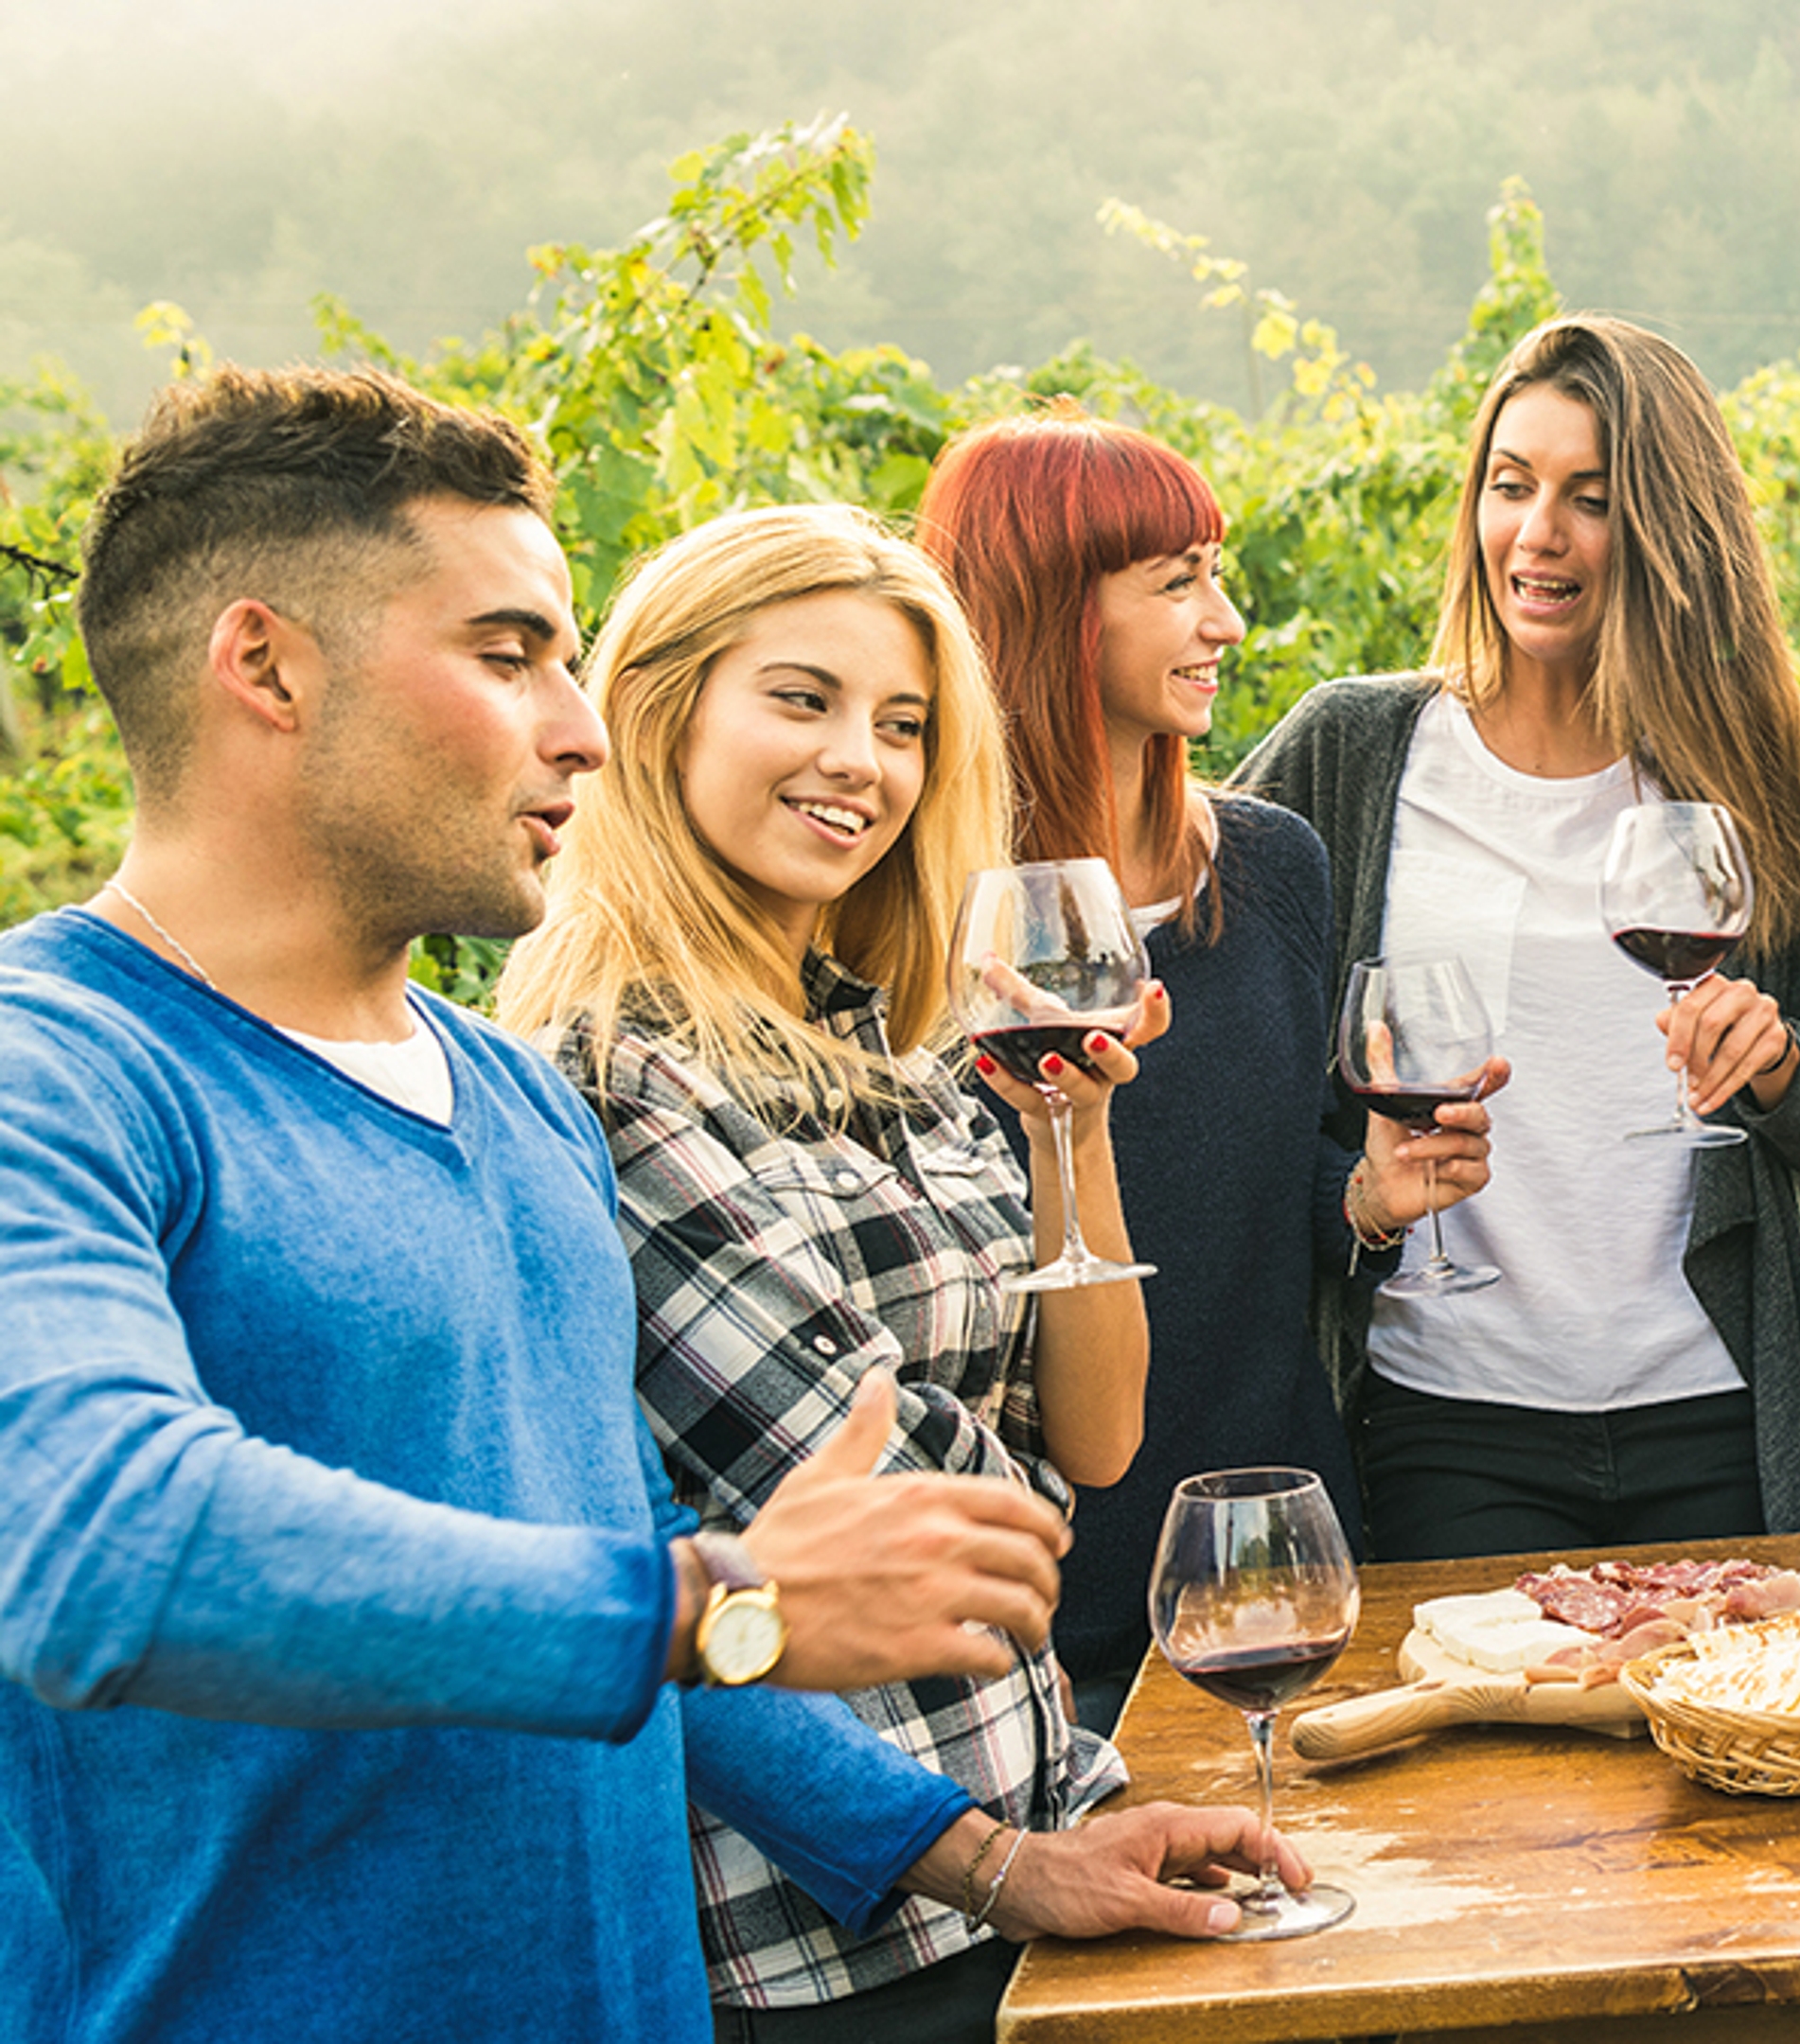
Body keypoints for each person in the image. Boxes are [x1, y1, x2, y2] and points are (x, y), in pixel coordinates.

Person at [0, 366, 1120, 2044]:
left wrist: (990, 1865)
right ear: (267, 666)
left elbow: (640, 1579)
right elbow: (96, 1542)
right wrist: (696, 1603)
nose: (584, 727)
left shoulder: (513, 1100)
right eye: (508, 654)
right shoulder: (59, 1072)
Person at [497, 503, 1306, 2040]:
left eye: (905, 724)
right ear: (661, 712)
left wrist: (1073, 1134)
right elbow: (922, 1506)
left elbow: (1099, 1439)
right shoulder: (599, 1079)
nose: (860, 759)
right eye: (801, 700)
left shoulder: (904, 1044)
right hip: (817, 1928)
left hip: (1039, 1810)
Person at [1234, 314, 1800, 1560]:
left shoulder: (1783, 771)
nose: (1538, 534)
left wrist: (1781, 1065)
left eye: (1591, 498)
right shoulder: (1355, 753)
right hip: (1446, 1410)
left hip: (1720, 1405)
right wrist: (1357, 1201)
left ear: (1667, 527)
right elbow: (1223, 1049)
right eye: (1511, 485)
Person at [918, 412, 1493, 1730]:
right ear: (1052, 612)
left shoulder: (1272, 869)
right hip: (1041, 1612)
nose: (1224, 621)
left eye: (1213, 574)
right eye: (1176, 584)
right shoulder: (936, 932)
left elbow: (1273, 1174)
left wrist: (1365, 1200)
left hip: (1272, 1557)